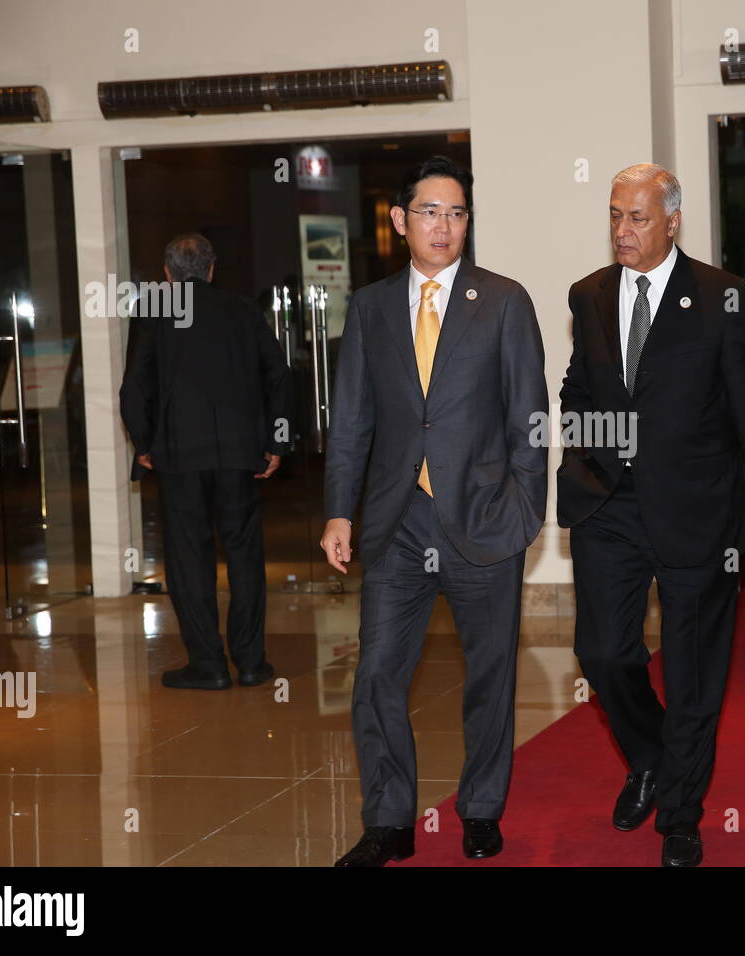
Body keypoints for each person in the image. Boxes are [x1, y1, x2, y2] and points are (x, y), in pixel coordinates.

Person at [557, 163, 745, 867]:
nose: (621, 231)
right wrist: (584, 440)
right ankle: (653, 757)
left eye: (636, 218)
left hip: (698, 510)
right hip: (608, 503)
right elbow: (578, 387)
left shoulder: (721, 296)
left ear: (672, 221)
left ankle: (682, 814)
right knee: (603, 653)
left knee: (693, 670)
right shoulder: (589, 294)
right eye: (614, 216)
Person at [320, 156, 548, 867]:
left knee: (489, 676)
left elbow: (529, 419)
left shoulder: (504, 301)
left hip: (483, 518)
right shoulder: (369, 307)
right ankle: (388, 821)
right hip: (396, 523)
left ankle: (481, 810)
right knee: (378, 673)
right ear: (399, 221)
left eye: (455, 213)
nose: (443, 226)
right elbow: (352, 420)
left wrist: (522, 510)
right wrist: (339, 513)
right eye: (429, 212)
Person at [120, 233, 294, 690]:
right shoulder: (241, 310)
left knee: (188, 560)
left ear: (167, 273)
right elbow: (278, 374)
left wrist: (143, 443)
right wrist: (275, 441)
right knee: (244, 556)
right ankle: (252, 662)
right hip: (240, 455)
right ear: (212, 269)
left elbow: (134, 387)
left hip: (178, 456)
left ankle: (208, 666)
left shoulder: (154, 312)